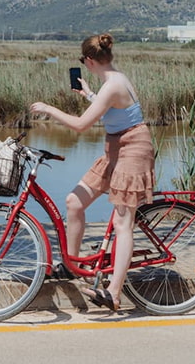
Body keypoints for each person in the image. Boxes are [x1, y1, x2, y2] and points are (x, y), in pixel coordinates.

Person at [29, 33, 154, 312]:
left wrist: (48, 108)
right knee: (75, 202)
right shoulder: (112, 82)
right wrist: (88, 95)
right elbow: (113, 111)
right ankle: (71, 264)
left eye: (83, 63)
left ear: (89, 61)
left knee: (123, 223)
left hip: (133, 150)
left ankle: (114, 292)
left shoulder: (114, 84)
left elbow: (81, 125)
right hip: (115, 147)